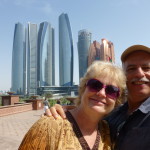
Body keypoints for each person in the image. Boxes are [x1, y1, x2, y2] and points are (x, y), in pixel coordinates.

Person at [47, 44, 150, 150]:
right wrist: (69, 111)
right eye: (131, 68)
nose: (139, 73)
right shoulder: (112, 115)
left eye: (146, 68)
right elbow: (91, 114)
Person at [18, 61, 126, 150]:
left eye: (111, 90)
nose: (101, 93)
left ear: (117, 100)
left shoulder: (107, 131)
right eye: (95, 85)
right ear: (83, 89)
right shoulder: (49, 125)